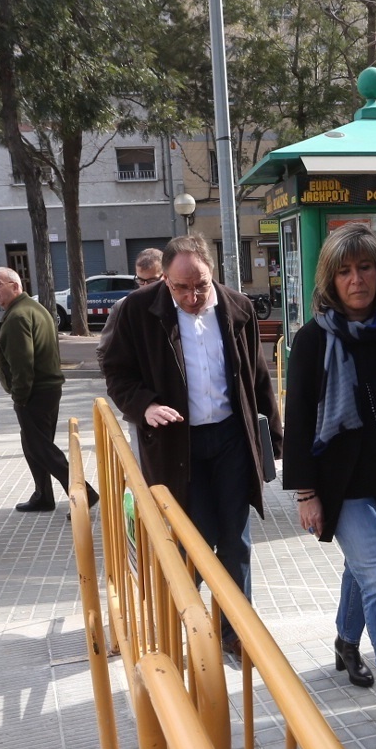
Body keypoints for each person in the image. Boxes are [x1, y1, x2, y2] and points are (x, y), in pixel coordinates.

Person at [282, 224, 376, 746]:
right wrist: (306, 493)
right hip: (340, 485)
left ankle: (347, 642)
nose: (356, 280)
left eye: (365, 267)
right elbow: (298, 421)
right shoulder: (312, 339)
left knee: (363, 569)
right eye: (345, 271)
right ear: (330, 279)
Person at [99, 235, 280, 661]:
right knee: (192, 539)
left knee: (235, 539)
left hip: (231, 439)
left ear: (212, 273)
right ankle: (180, 619)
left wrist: (275, 436)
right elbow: (116, 372)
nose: (192, 296)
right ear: (165, 279)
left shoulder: (237, 307)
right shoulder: (138, 310)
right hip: (177, 444)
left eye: (200, 285)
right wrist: (145, 405)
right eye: (180, 287)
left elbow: (257, 376)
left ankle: (235, 630)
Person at [0, 265, 98, 512]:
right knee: (35, 445)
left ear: (15, 286)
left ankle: (85, 493)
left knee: (41, 448)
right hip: (47, 388)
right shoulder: (34, 308)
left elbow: (22, 363)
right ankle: (43, 495)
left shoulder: (18, 316)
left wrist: (19, 396)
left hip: (34, 391)